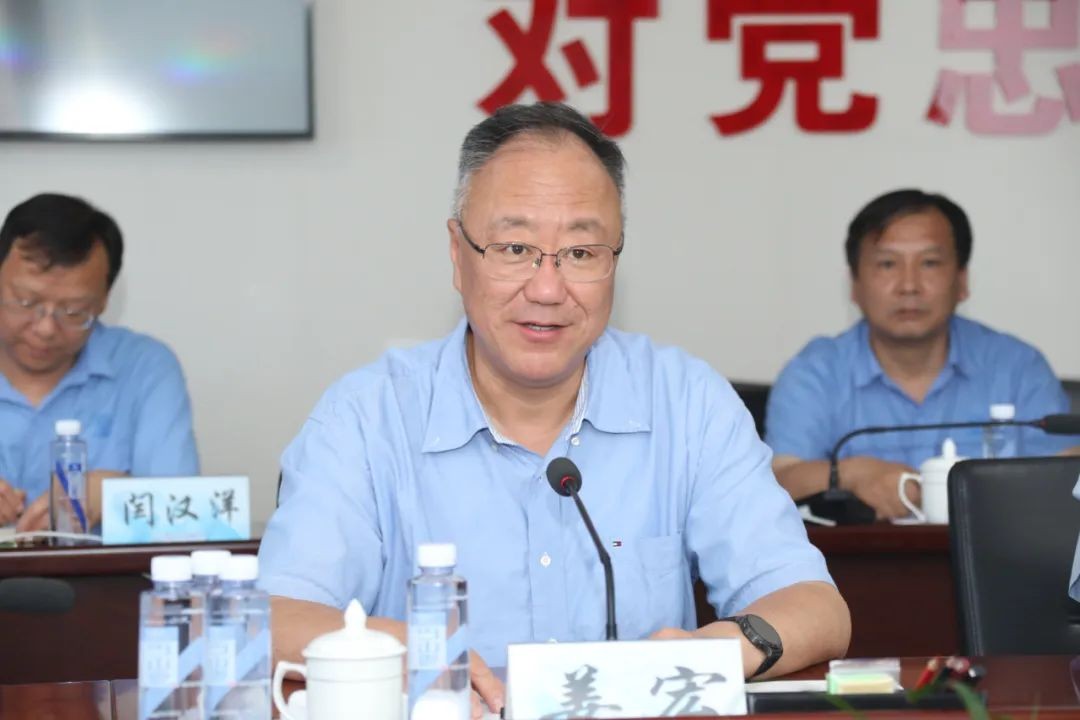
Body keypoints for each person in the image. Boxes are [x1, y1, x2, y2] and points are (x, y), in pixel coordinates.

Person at [259, 102, 850, 713]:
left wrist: (713, 651)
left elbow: (816, 607)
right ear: (458, 253)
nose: (547, 289)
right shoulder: (365, 419)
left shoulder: (687, 403)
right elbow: (271, 618)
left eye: (582, 253)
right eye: (514, 247)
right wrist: (403, 650)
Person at [766, 189, 1078, 520]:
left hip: (997, 551)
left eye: (929, 263)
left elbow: (1068, 479)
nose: (909, 285)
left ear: (962, 281)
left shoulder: (1016, 367)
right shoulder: (816, 372)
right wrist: (851, 473)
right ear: (854, 285)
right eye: (887, 264)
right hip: (858, 555)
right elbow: (775, 481)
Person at [0, 193, 199, 533]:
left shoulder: (144, 369)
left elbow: (193, 517)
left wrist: (116, 497)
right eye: (25, 301)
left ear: (104, 301)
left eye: (74, 311)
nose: (46, 328)